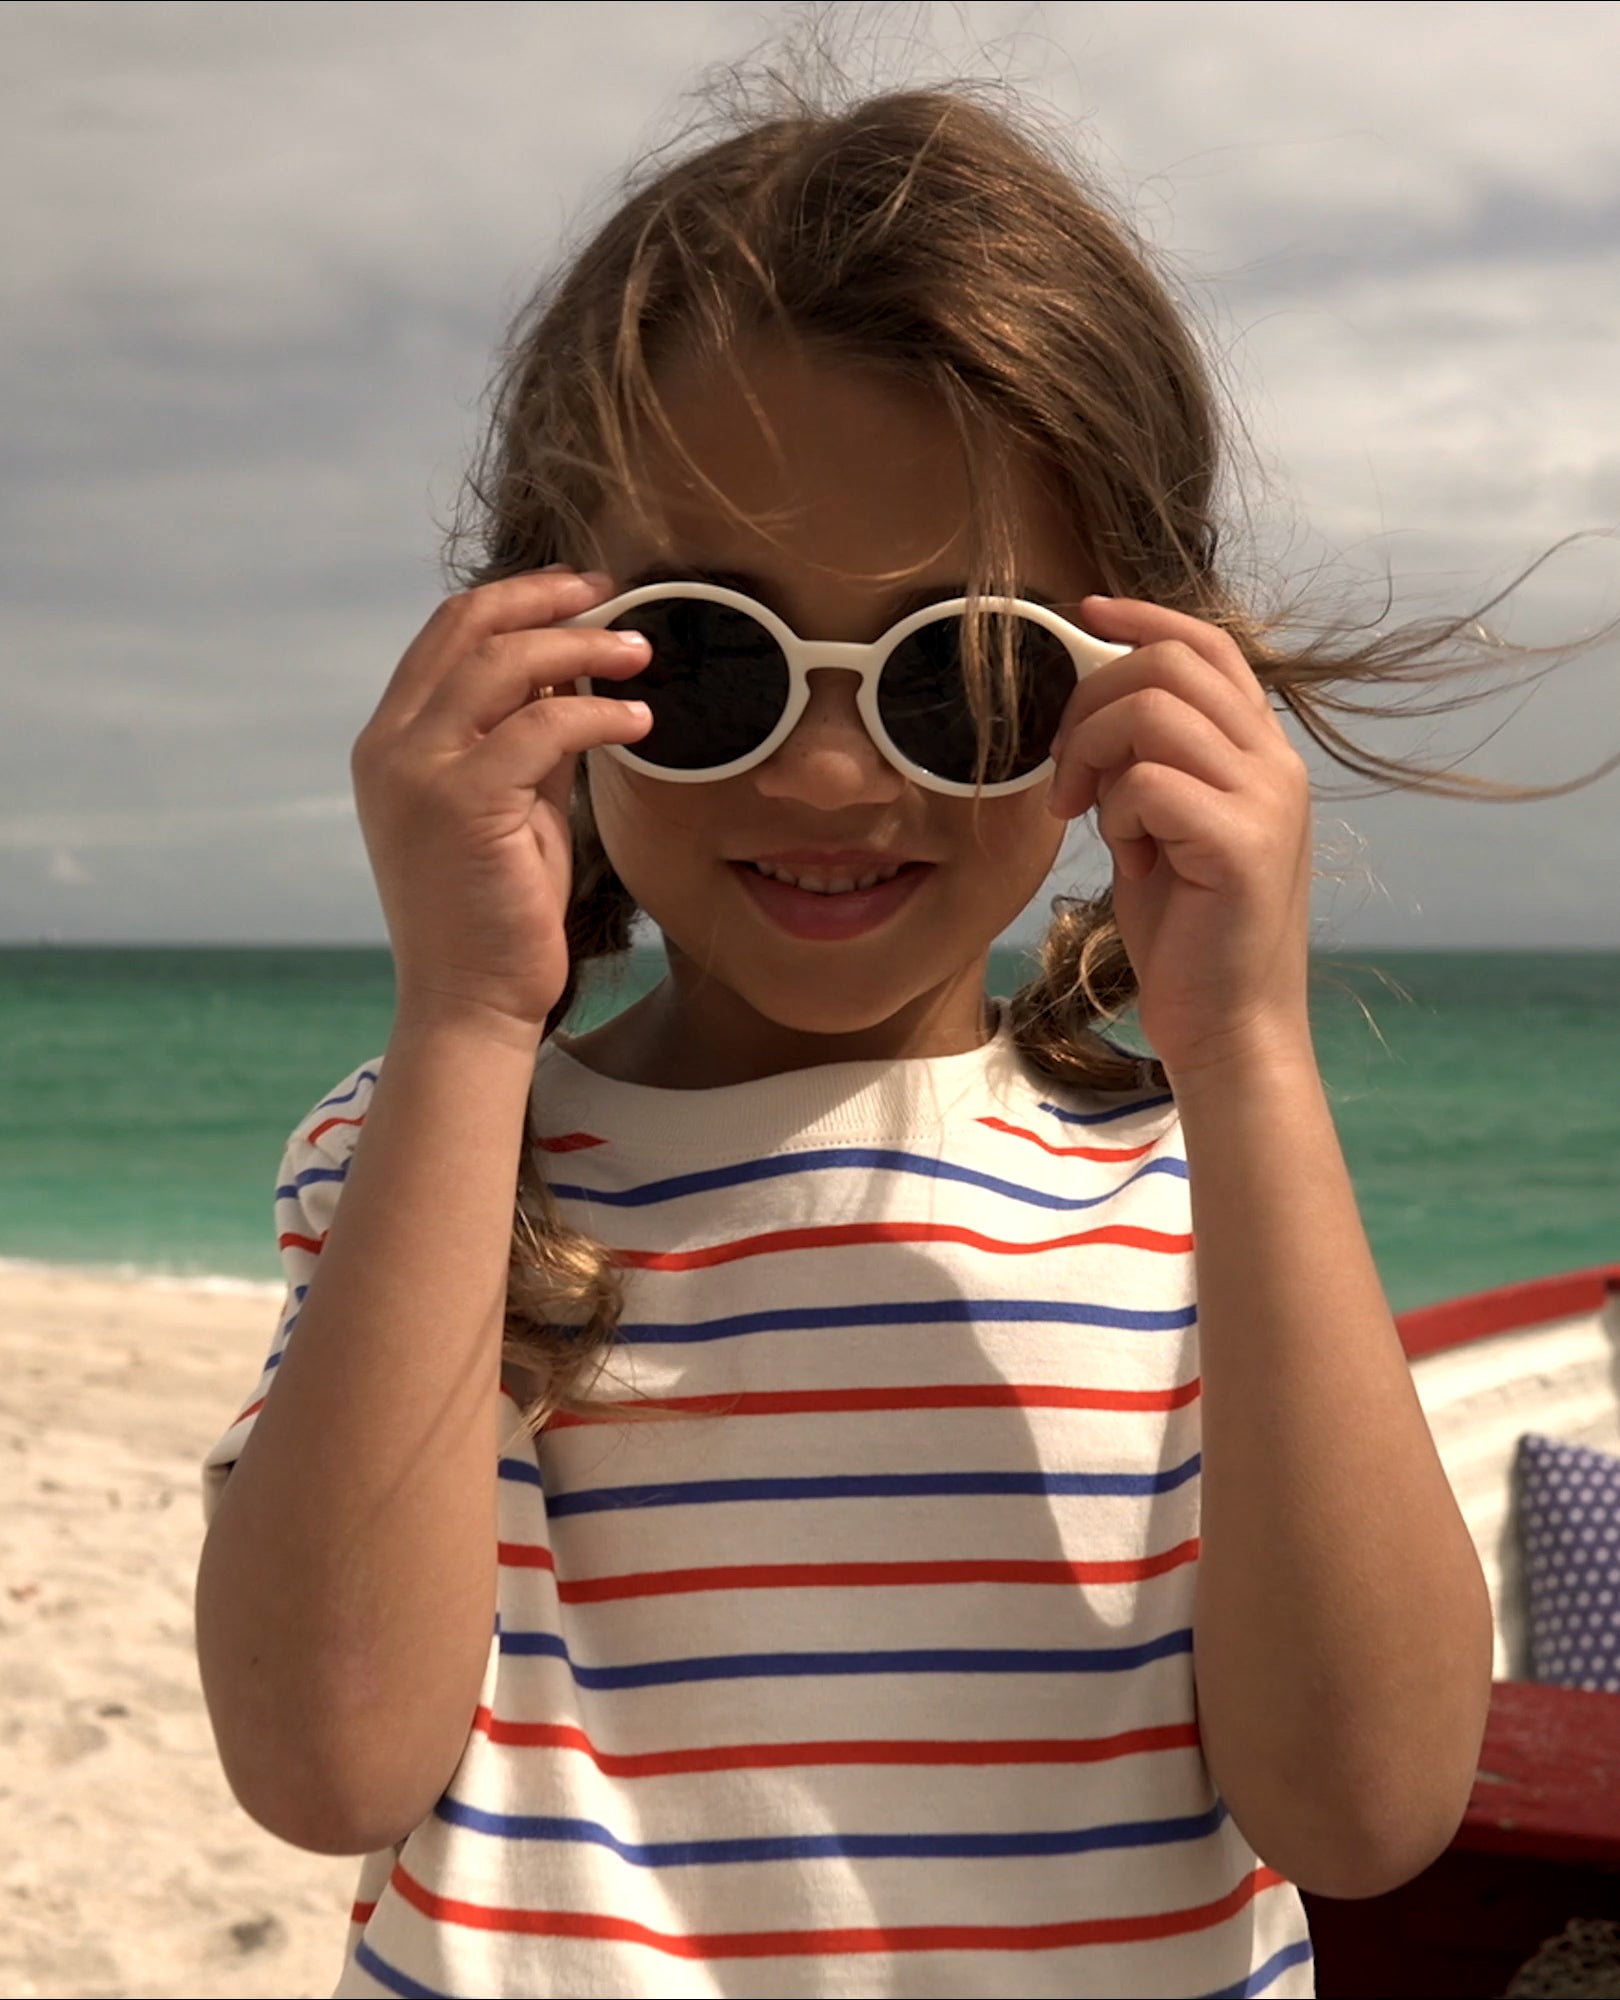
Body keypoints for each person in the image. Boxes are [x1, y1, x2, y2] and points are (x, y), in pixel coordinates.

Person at [193, 77, 1538, 2000]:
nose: (830, 771)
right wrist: (470, 1018)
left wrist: (1245, 1053)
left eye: (961, 673)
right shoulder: (430, 1154)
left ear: (1132, 685)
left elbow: (1370, 1809)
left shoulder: (1194, 1192)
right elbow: (326, 1762)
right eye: (712, 656)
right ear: (546, 654)